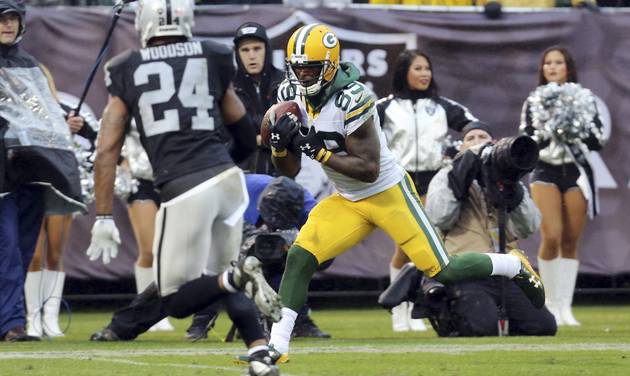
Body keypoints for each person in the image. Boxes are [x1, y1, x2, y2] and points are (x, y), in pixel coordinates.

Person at [266, 23, 545, 361]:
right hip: (347, 199)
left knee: (444, 270)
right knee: (300, 256)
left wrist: (321, 152)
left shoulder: (352, 98)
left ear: (330, 66)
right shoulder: (289, 95)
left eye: (311, 68)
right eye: (298, 68)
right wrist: (281, 147)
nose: (303, 76)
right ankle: (276, 347)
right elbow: (290, 170)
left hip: (387, 193)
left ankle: (511, 265)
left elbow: (368, 168)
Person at [86, 1, 280, 374]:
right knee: (223, 277)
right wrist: (224, 167)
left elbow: (107, 149)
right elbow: (242, 130)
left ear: (143, 22)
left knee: (175, 298)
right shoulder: (212, 54)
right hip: (227, 180)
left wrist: (105, 214)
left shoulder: (126, 66)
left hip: (186, 186)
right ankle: (259, 353)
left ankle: (241, 279)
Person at [381, 123, 557, 337]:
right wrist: (461, 176)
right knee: (482, 329)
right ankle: (446, 315)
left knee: (543, 327)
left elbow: (529, 226)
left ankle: (506, 318)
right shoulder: (446, 176)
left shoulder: (507, 179)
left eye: (482, 137)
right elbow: (439, 218)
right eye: (471, 138)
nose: (477, 142)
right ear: (462, 147)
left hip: (507, 270)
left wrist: (512, 190)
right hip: (466, 270)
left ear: (494, 144)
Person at [0, 0, 85, 342]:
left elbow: (40, 113)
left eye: (12, 19)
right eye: (1, 19)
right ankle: (12, 323)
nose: (7, 25)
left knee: (20, 248)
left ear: (22, 24)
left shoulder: (33, 66)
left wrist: (64, 123)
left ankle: (9, 320)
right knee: (6, 247)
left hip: (33, 171)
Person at [377, 49, 477, 332]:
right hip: (400, 183)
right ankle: (399, 312)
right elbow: (360, 135)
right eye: (418, 68)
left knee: (428, 248)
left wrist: (468, 141)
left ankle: (420, 309)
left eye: (427, 69)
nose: (424, 74)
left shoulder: (442, 106)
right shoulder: (385, 108)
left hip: (435, 184)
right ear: (403, 72)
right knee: (404, 247)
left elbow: (473, 124)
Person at [520, 46, 605, 326]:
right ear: (542, 69)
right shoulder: (534, 99)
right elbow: (528, 139)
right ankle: (550, 304)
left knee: (570, 240)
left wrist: (575, 129)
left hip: (577, 172)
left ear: (568, 67)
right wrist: (551, 129)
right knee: (552, 235)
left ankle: (565, 307)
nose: (553, 67)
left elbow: (598, 139)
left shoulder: (584, 98)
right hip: (545, 170)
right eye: (548, 63)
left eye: (559, 63)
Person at [24, 100, 98, 339]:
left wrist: (76, 125)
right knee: (33, 255)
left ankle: (51, 318)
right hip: (30, 183)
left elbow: (93, 134)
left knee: (55, 254)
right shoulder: (20, 107)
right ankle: (32, 318)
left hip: (58, 184)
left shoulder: (64, 108)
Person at [232, 22, 285, 176]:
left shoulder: (285, 82)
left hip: (281, 174)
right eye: (245, 50)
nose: (251, 55)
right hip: (242, 176)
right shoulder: (228, 87)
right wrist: (265, 139)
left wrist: (254, 139)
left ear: (267, 50)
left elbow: (293, 133)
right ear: (237, 53)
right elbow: (225, 137)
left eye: (257, 48)